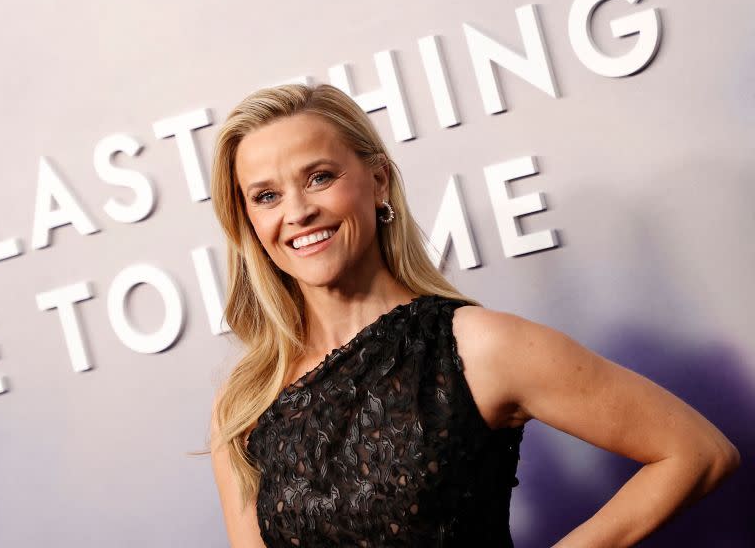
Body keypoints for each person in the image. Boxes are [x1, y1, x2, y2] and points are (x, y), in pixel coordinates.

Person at [204, 83, 739, 547]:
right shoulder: (247, 404)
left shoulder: (474, 347)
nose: (297, 212)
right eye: (267, 196)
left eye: (319, 177)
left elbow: (696, 452)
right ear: (249, 222)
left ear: (379, 181)